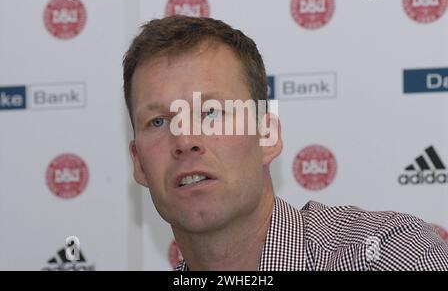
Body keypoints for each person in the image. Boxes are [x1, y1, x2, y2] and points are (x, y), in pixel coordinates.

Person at [123, 15, 448, 271]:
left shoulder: (390, 257)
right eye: (158, 121)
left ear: (267, 136)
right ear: (138, 163)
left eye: (211, 112)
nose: (185, 140)